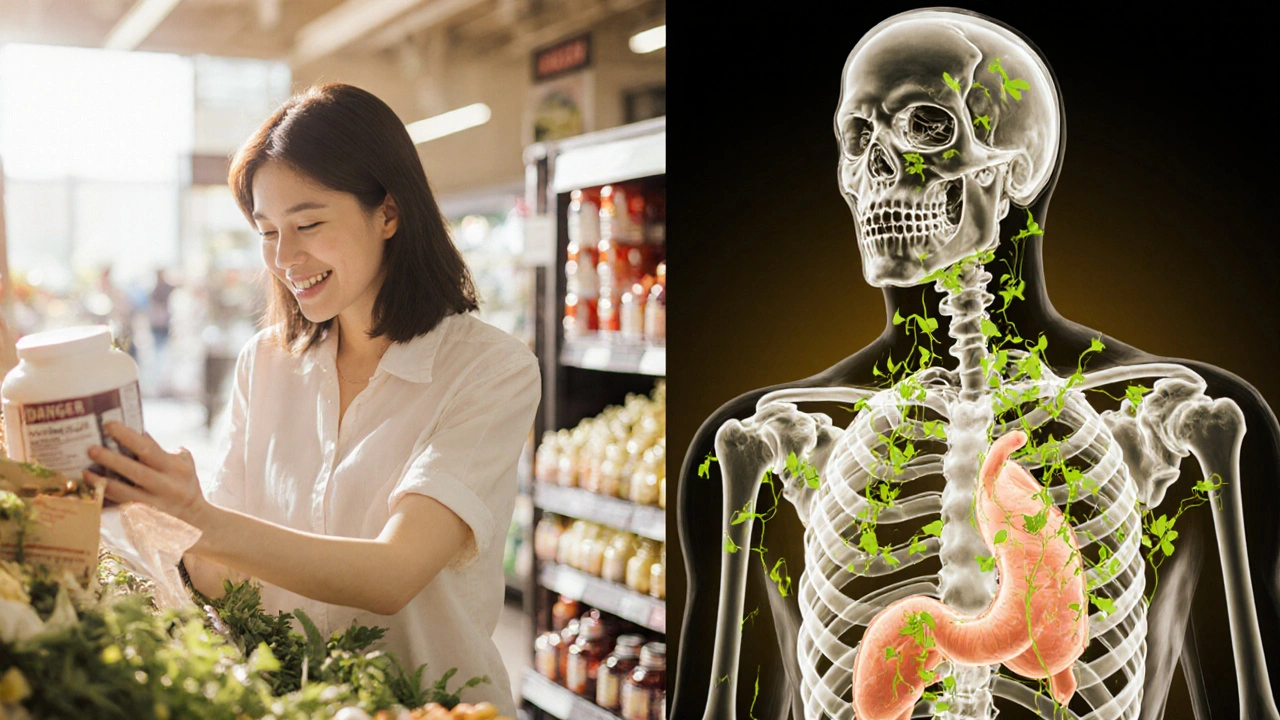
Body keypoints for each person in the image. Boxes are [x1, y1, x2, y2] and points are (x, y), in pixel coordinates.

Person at [83, 83, 541, 715]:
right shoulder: (264, 364)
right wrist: (163, 516)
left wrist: (205, 519)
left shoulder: (490, 369)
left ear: (388, 212)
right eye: (267, 231)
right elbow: (229, 581)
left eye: (308, 224)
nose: (284, 257)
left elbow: (393, 574)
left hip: (436, 708)